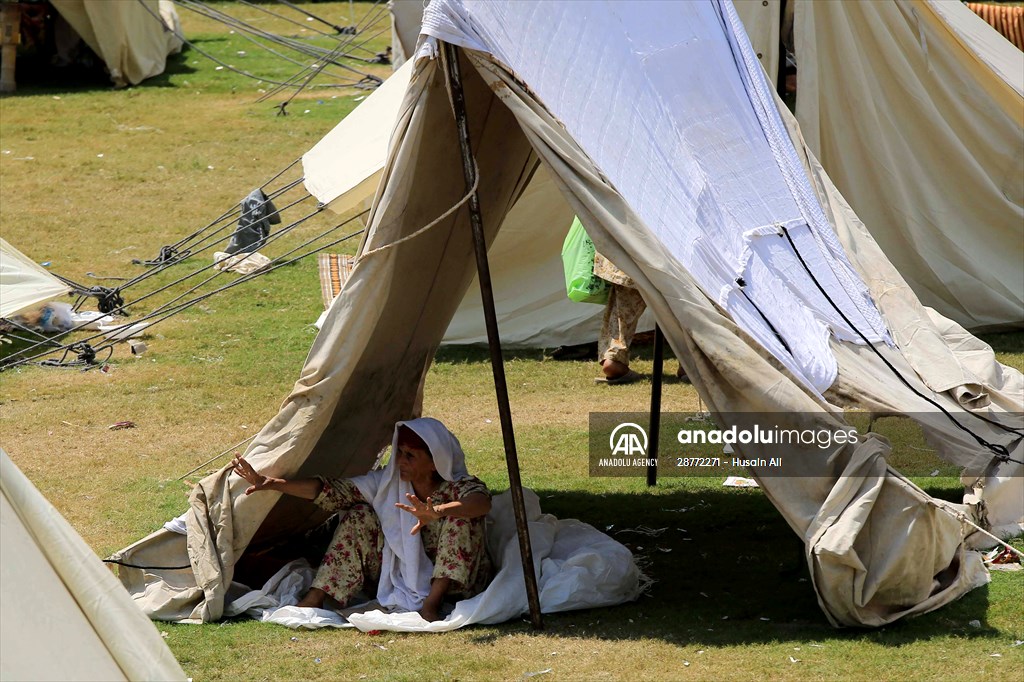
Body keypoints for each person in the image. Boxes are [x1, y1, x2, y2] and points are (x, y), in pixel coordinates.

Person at [231, 418, 493, 622]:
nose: (400, 461)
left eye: (410, 455)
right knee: (359, 515)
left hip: (459, 584)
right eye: (399, 452)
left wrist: (440, 510)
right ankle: (315, 597)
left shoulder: (459, 487)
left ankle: (431, 605)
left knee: (461, 517)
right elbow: (333, 490)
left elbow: (481, 503)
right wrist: (273, 484)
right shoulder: (387, 484)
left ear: (435, 462)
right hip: (400, 574)